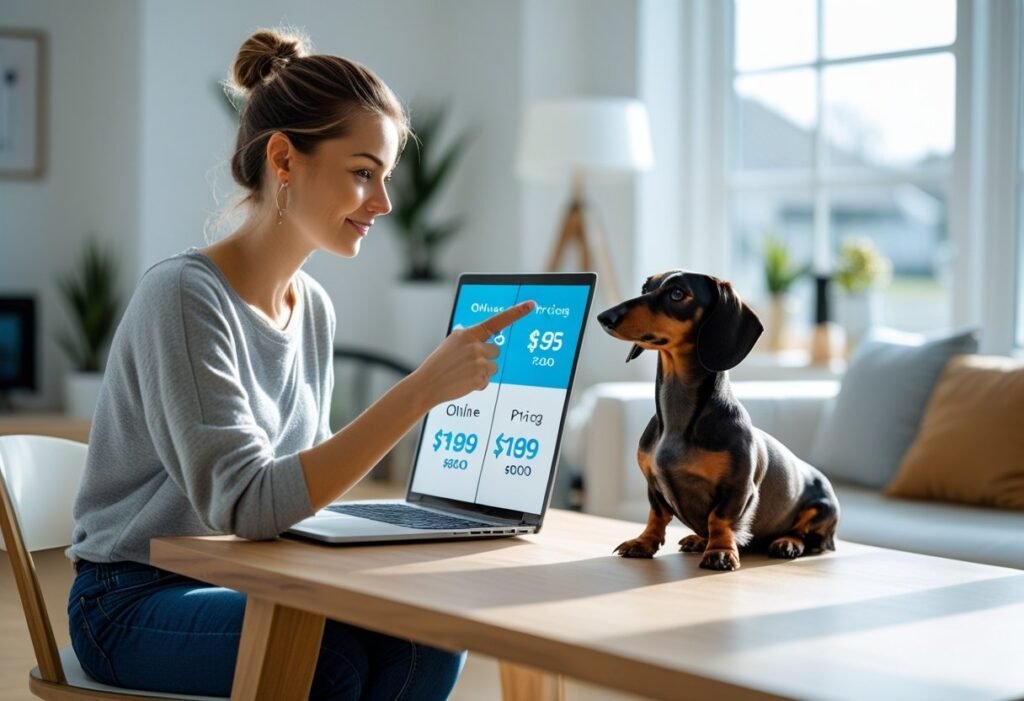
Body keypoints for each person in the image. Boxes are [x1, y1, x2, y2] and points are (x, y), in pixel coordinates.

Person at [65, 28, 534, 700]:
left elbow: (291, 500)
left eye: (386, 177)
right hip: (131, 597)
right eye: (362, 172)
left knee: (425, 632)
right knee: (326, 649)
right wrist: (418, 393)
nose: (384, 203)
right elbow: (250, 503)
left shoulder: (312, 308)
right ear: (284, 159)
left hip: (249, 574)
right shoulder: (183, 297)